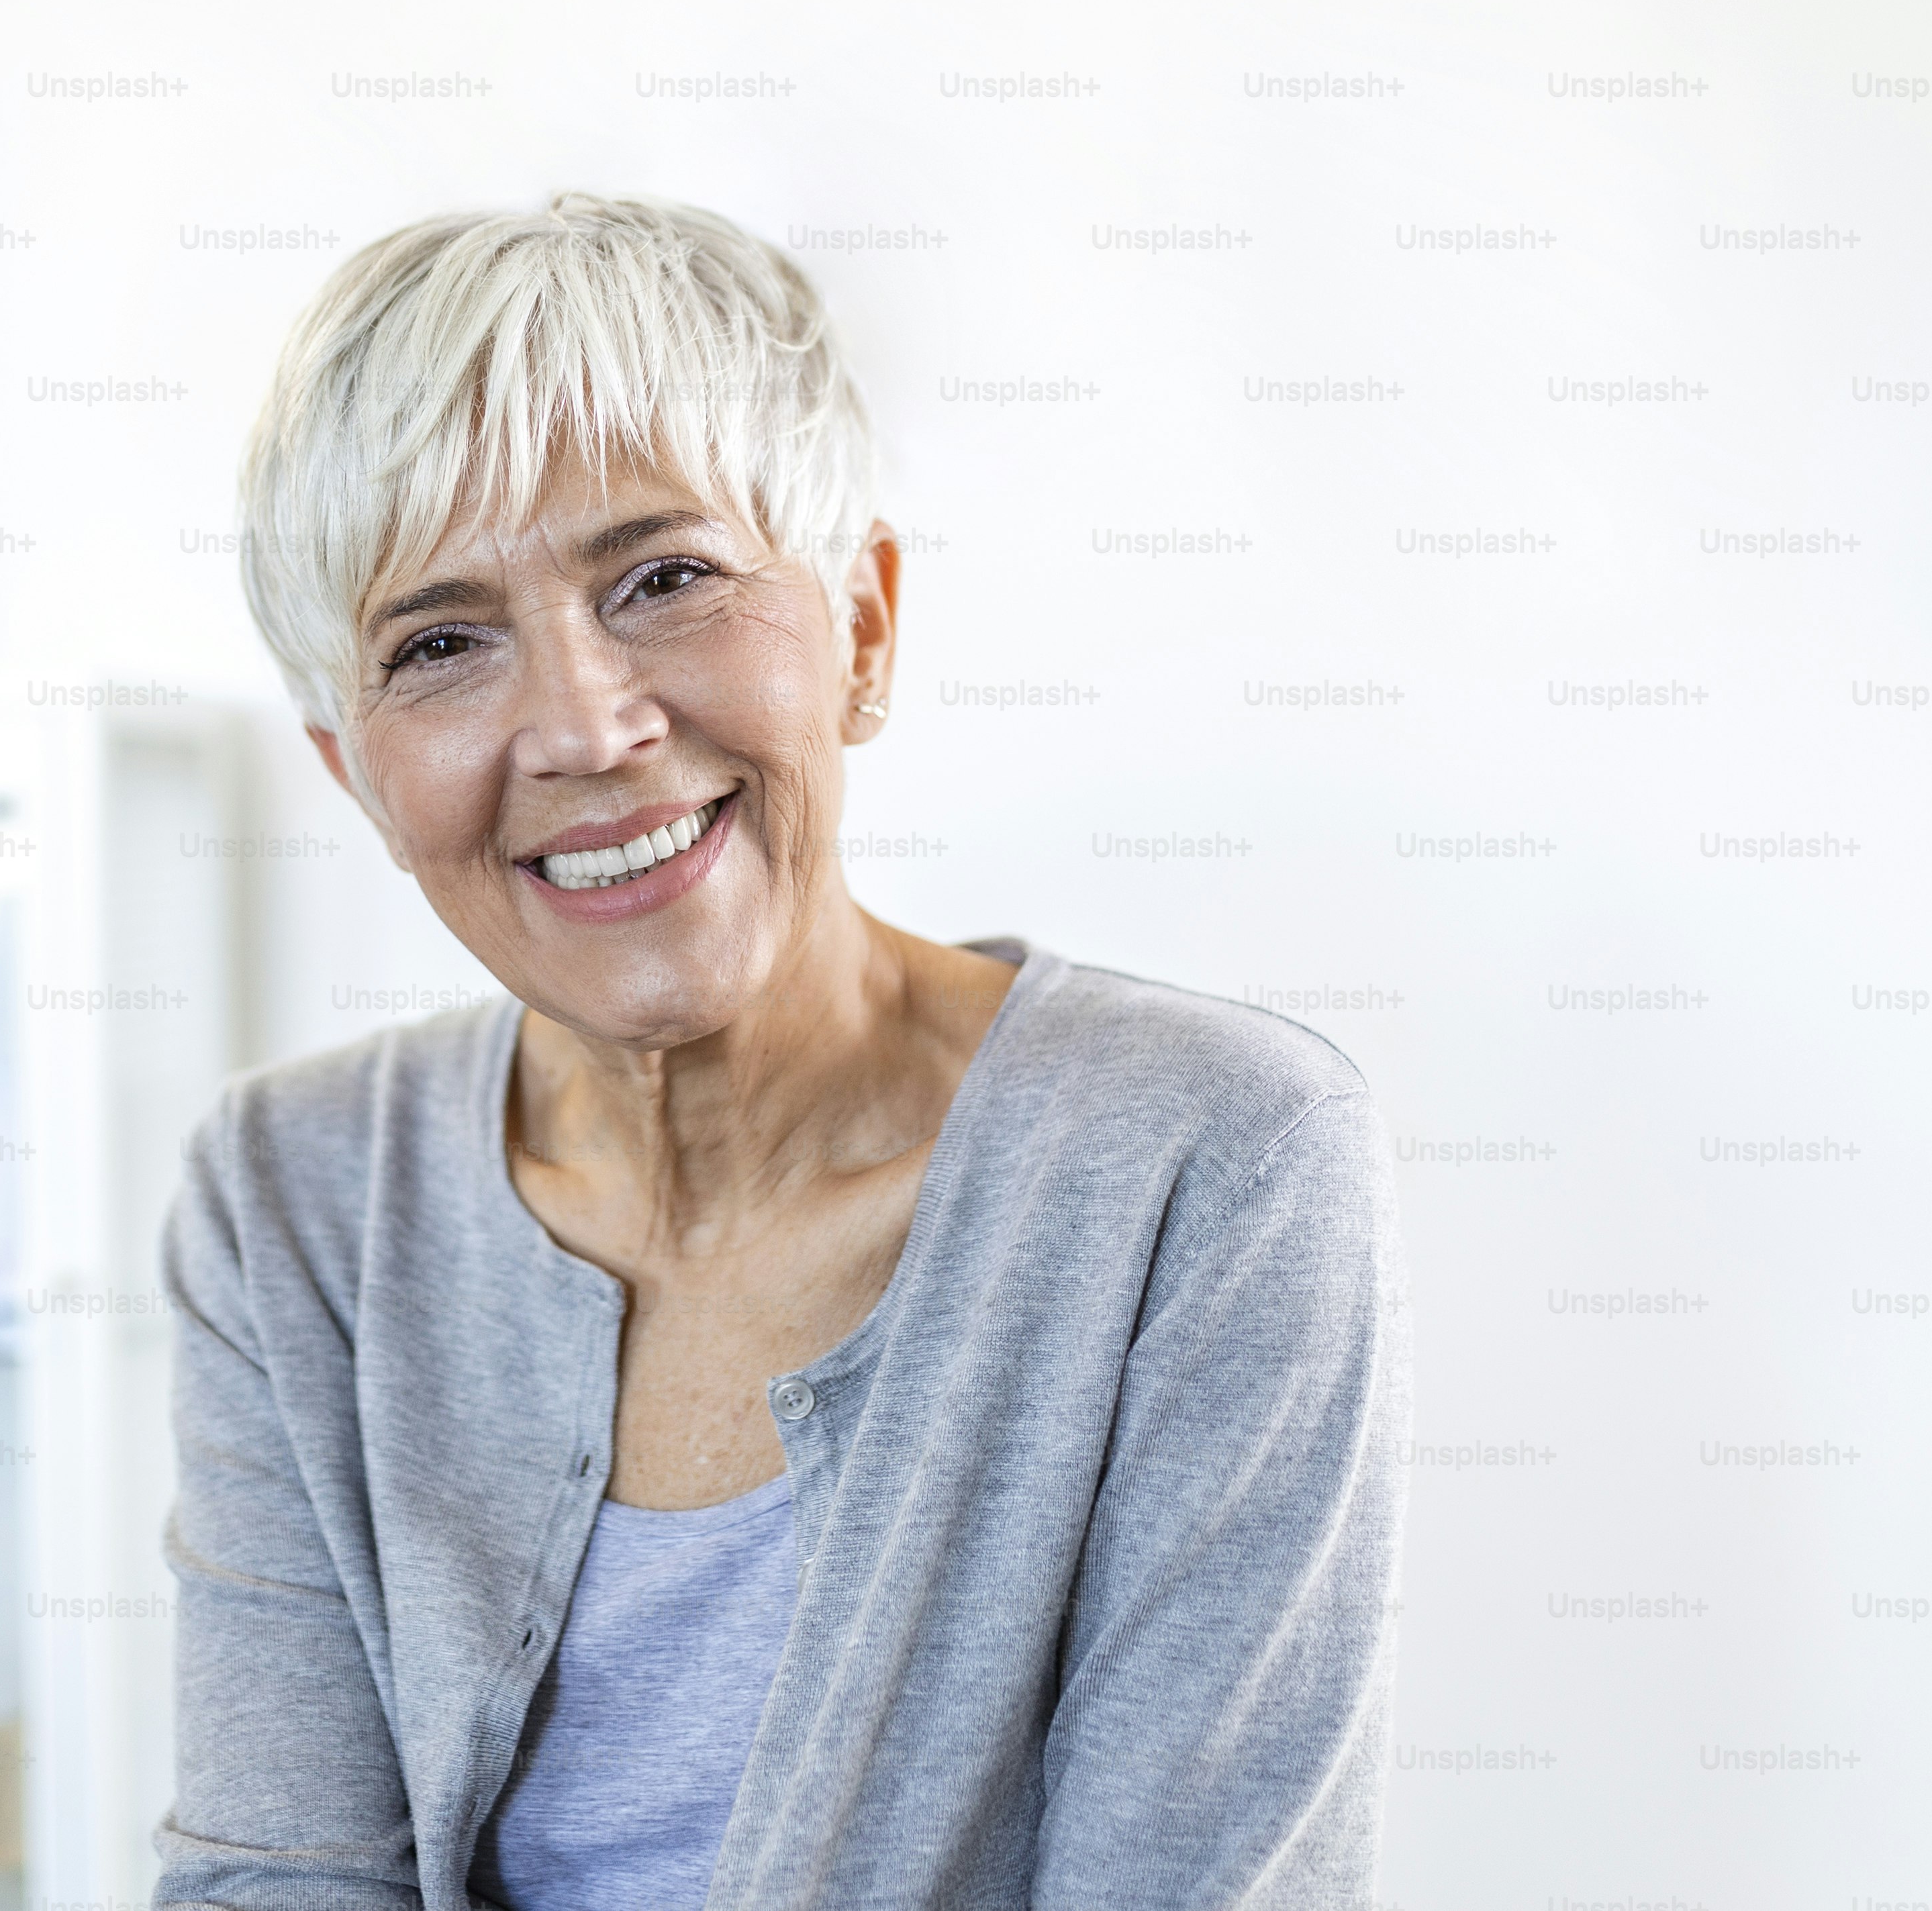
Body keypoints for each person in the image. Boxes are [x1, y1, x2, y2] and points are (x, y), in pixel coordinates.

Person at [154, 193, 1408, 1910]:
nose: (591, 726)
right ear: (355, 774)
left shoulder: (1208, 1159)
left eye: (665, 578)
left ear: (864, 629)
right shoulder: (291, 1197)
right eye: (441, 642)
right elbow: (275, 1876)